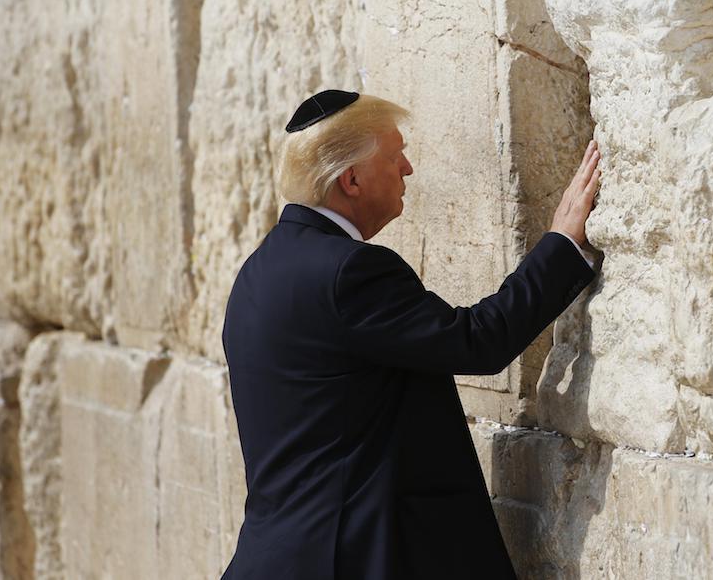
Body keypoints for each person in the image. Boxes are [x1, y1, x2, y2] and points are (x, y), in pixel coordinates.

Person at [220, 89, 602, 579]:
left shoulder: (259, 271)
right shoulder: (349, 273)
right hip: (353, 560)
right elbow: (477, 341)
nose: (407, 169)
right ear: (352, 179)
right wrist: (563, 244)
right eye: (394, 154)